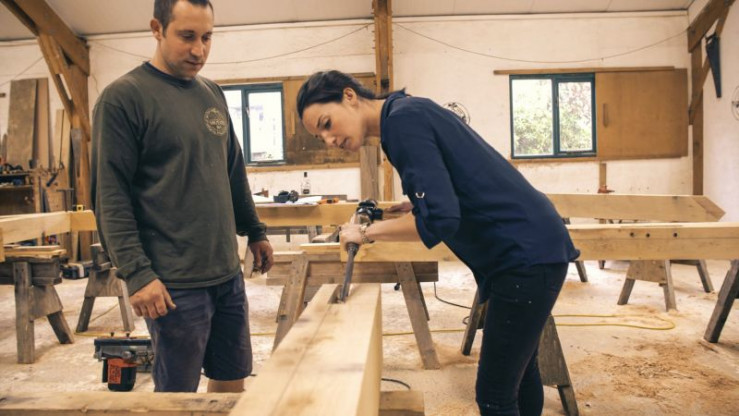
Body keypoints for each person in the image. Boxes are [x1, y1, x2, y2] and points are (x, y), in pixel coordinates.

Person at [296, 70, 579, 416]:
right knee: (520, 374)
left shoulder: (401, 123)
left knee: (495, 395)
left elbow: (443, 220)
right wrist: (417, 206)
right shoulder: (406, 111)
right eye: (320, 137)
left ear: (349, 96)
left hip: (523, 257)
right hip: (531, 247)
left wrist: (366, 233)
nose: (329, 140)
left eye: (326, 124)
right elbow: (455, 184)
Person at [91, 0, 274, 393]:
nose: (199, 50)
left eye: (207, 37)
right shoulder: (123, 98)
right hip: (172, 285)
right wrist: (138, 274)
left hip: (226, 273)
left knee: (231, 381)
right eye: (187, 36)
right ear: (157, 29)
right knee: (177, 398)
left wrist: (255, 231)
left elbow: (232, 171)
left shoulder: (211, 93)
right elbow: (110, 197)